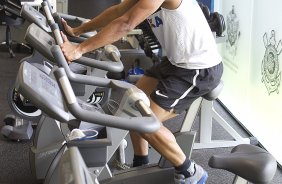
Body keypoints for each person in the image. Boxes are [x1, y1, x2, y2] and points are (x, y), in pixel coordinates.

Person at [60, 0, 223, 183]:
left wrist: (79, 49)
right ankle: (141, 165)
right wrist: (77, 32)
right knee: (131, 105)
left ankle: (189, 171)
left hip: (196, 69)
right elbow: (119, 11)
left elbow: (126, 23)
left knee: (143, 121)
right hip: (174, 62)